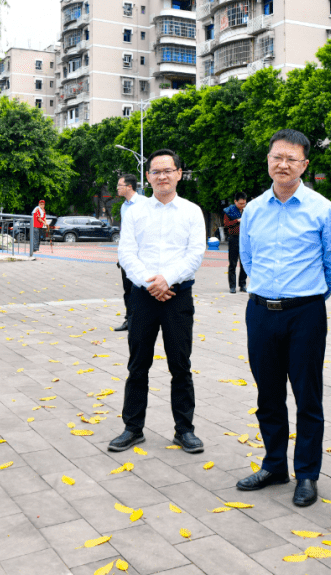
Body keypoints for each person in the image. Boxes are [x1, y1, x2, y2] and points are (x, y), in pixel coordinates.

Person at [235, 129, 331, 507]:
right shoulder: (253, 210)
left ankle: (308, 474)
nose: (282, 165)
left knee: (307, 396)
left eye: (291, 159)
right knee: (268, 395)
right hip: (261, 312)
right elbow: (247, 260)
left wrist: (309, 297)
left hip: (305, 314)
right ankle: (274, 465)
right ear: (268, 160)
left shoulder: (323, 209)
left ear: (304, 165)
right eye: (276, 157)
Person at [110, 150, 206, 454]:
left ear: (179, 173)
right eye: (155, 171)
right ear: (148, 177)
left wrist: (167, 279)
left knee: (181, 365)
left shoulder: (192, 211)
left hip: (178, 296)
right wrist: (151, 283)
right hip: (143, 297)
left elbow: (196, 253)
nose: (162, 176)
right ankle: (132, 428)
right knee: (138, 364)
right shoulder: (136, 212)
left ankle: (184, 430)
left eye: (168, 170)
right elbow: (126, 253)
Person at [114, 175, 142, 331]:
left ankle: (141, 321)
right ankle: (129, 320)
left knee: (139, 290)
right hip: (126, 254)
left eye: (119, 185)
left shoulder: (144, 204)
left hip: (139, 256)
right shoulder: (124, 206)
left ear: (129, 187)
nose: (117, 188)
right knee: (128, 290)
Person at [223, 193, 248, 293]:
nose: (242, 206)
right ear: (235, 201)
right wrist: (237, 221)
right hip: (234, 238)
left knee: (244, 263)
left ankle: (242, 285)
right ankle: (232, 286)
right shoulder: (229, 211)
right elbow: (226, 224)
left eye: (244, 204)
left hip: (245, 239)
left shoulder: (247, 211)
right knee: (233, 263)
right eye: (240, 204)